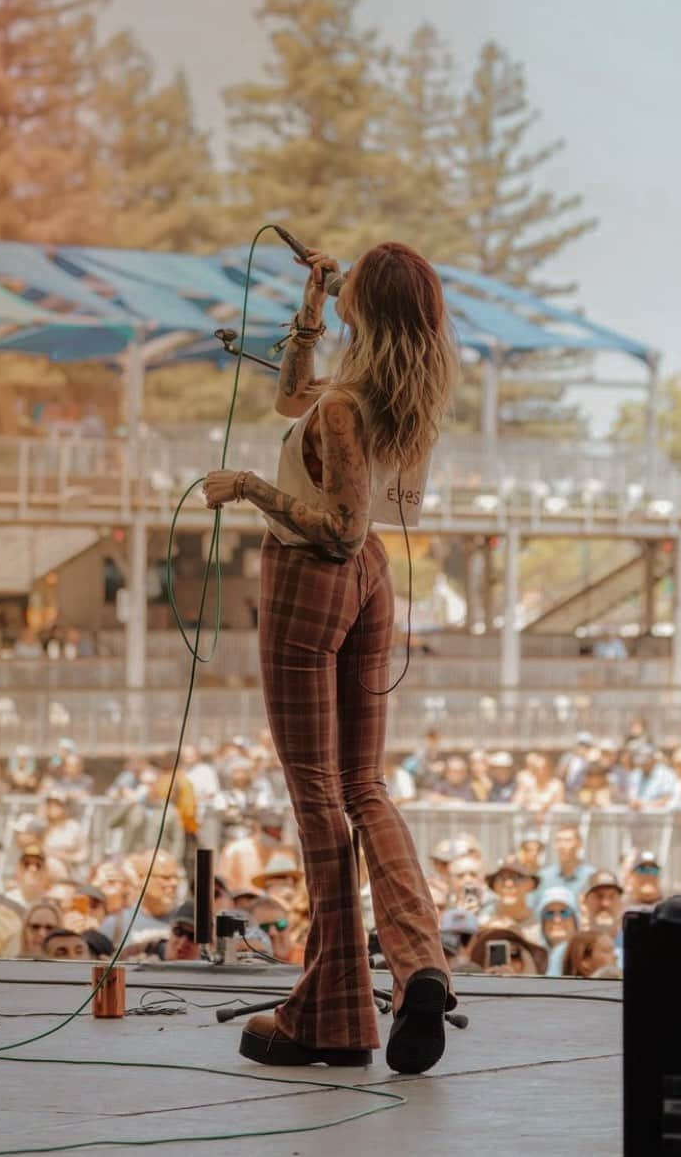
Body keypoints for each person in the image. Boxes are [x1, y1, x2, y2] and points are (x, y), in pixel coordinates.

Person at [203, 242, 458, 1072]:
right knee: (362, 788)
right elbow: (289, 398)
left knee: (316, 796)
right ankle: (420, 966)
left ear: (369, 310)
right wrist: (308, 311)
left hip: (310, 580)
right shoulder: (391, 396)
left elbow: (339, 528)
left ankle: (333, 1018)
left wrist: (247, 487)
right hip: (372, 584)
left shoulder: (349, 408)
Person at [537, 825, 596, 899]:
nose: (562, 845)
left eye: (567, 840)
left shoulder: (591, 876)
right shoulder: (544, 876)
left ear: (580, 844)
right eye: (558, 840)